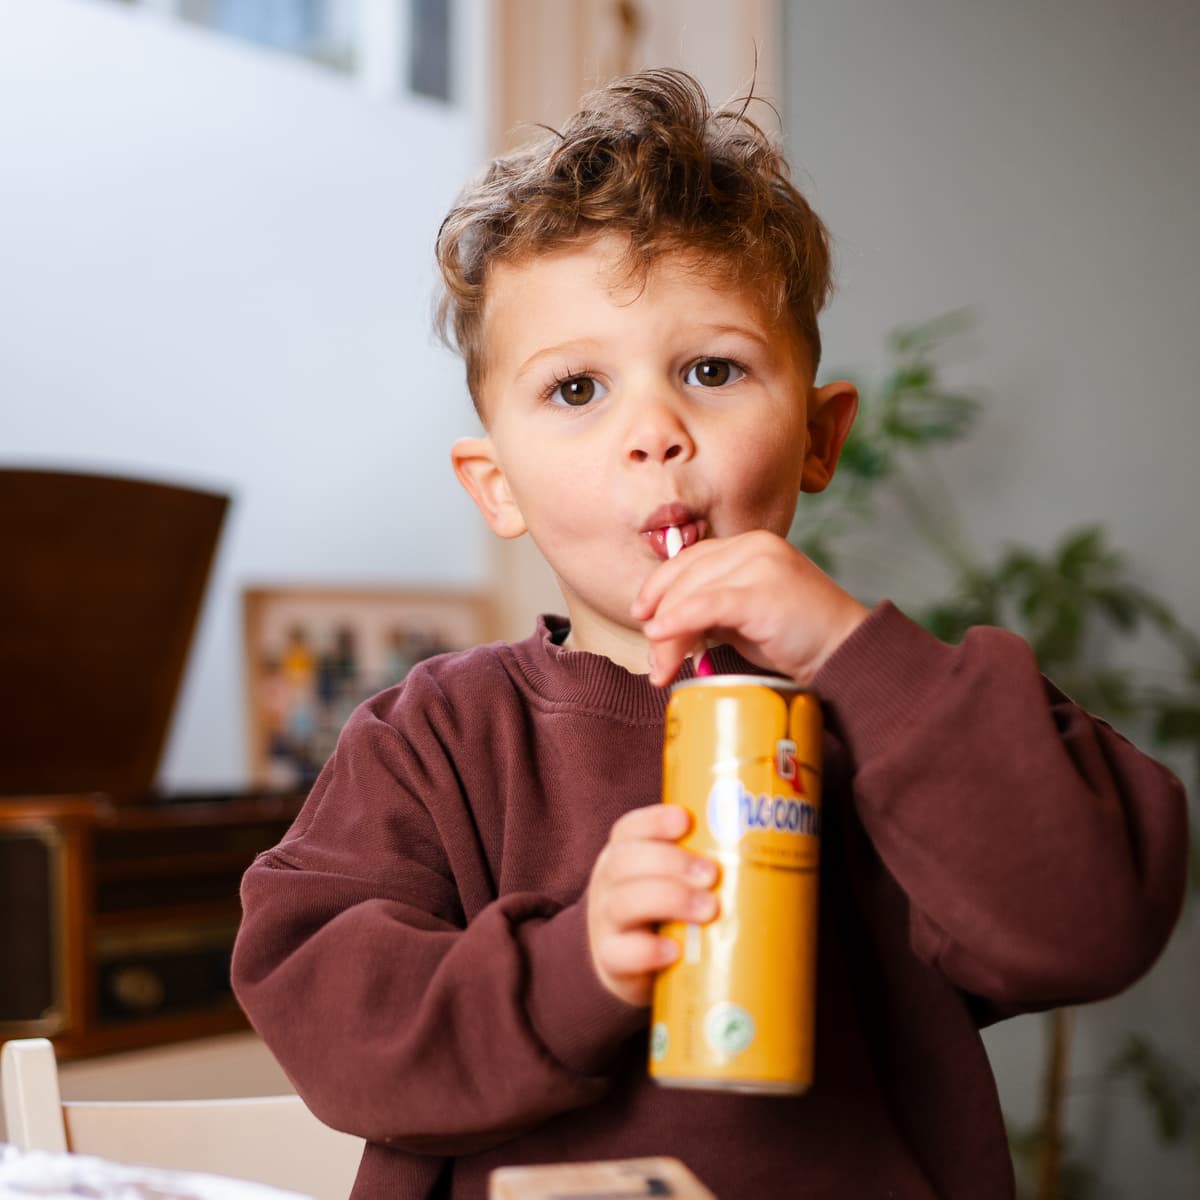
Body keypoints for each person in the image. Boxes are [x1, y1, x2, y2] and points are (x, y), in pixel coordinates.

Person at [231, 70, 1188, 1200]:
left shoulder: (897, 713)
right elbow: (322, 1005)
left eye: (712, 370)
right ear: (497, 487)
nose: (655, 432)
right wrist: (571, 963)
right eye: (578, 388)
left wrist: (847, 652)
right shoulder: (436, 738)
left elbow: (1087, 921)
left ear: (819, 438)